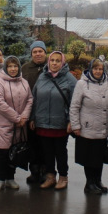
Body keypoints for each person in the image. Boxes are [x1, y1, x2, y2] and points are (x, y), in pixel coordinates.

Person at [30, 51, 77, 190]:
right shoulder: (42, 78)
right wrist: (33, 117)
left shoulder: (70, 79)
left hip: (60, 124)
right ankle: (50, 176)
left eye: (58, 61)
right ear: (48, 62)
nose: (54, 63)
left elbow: (74, 103)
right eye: (52, 60)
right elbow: (34, 99)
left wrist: (71, 121)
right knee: (47, 152)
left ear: (62, 63)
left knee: (60, 152)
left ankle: (63, 177)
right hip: (43, 122)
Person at [70, 58, 108, 194]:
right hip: (87, 128)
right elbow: (74, 106)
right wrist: (76, 126)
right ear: (91, 69)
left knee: (99, 157)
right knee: (89, 157)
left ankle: (97, 181)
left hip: (103, 127)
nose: (98, 71)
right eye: (95, 69)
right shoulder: (82, 84)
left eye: (100, 69)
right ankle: (89, 183)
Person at [0, 56, 33, 191]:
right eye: (10, 66)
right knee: (3, 154)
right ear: (5, 68)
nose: (13, 69)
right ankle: (0, 179)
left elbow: (30, 100)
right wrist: (16, 118)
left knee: (14, 153)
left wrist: (24, 117)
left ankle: (10, 178)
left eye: (15, 66)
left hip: (20, 124)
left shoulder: (24, 82)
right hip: (3, 124)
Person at [21, 40, 48, 184]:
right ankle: (34, 171)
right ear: (31, 54)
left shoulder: (52, 66)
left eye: (40, 51)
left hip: (47, 113)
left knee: (46, 145)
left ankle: (46, 171)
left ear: (45, 52)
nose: (38, 54)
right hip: (29, 113)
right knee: (32, 143)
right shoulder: (25, 68)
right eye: (35, 52)